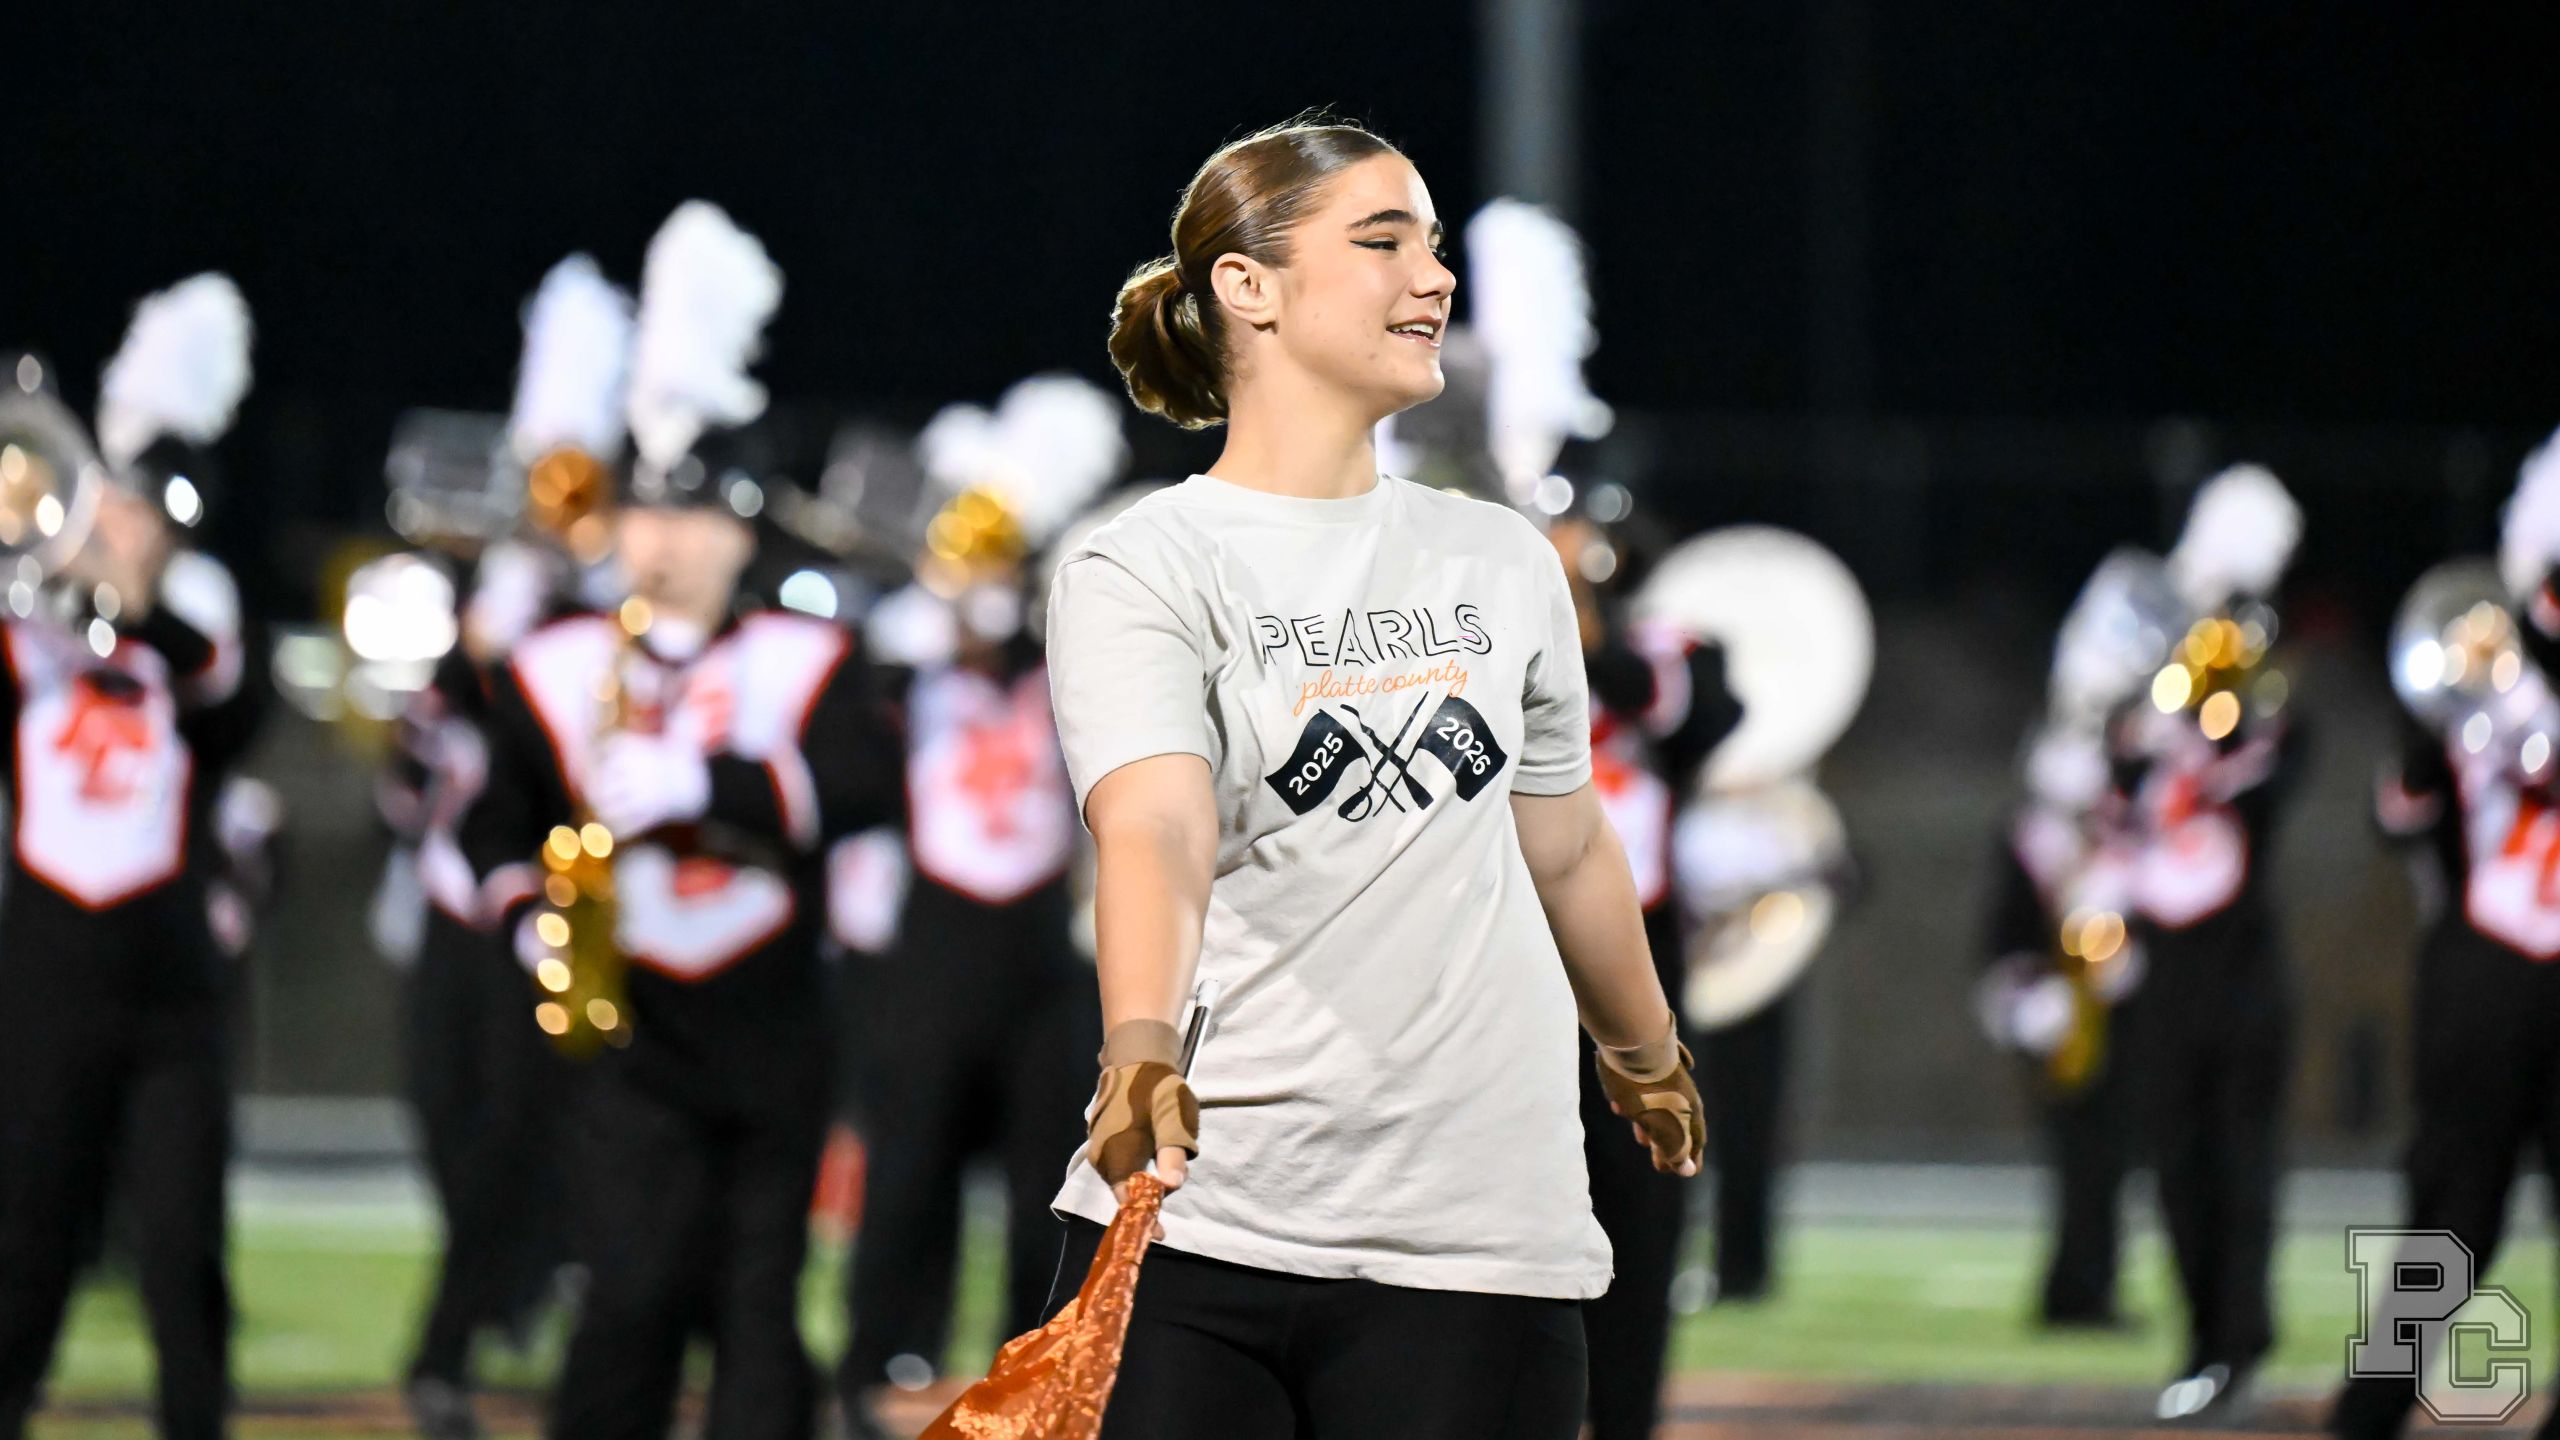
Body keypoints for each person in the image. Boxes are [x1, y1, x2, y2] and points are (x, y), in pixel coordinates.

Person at [1040, 116, 1705, 1440]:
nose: (1434, 278)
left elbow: (1568, 843)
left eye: (1436, 245)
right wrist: (1138, 1045)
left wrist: (1642, 1050)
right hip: (1200, 1220)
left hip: (1478, 1246)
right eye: (1382, 241)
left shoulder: (1501, 559)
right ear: (1248, 285)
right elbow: (1156, 825)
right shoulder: (1144, 563)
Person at [454, 200, 902, 1440]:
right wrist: (528, 923)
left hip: (775, 1017)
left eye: (692, 517)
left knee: (758, 1306)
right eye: (646, 515)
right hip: (632, 1028)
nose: (662, 542)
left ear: (739, 527)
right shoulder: (555, 663)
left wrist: (710, 786)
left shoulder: (808, 657)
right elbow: (487, 822)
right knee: (631, 1292)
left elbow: (865, 786)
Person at [0, 274, 263, 1440]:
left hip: (173, 1000)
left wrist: (128, 602)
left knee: (181, 1254)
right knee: (26, 1244)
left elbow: (225, 698)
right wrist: (45, 574)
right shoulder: (23, 634)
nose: (116, 527)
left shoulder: (197, 626)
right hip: (44, 986)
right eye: (108, 507)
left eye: (139, 514)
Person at [838, 377, 1119, 1429]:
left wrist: (1025, 604)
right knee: (909, 1167)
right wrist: (938, 603)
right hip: (931, 943)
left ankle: (1034, 1372)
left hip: (1043, 948)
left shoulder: (1064, 657)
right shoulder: (900, 667)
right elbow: (856, 722)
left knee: (1051, 1180)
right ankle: (884, 1360)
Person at [393, 253, 632, 1439]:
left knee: (523, 1139)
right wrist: (466, 654)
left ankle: (456, 1349)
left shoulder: (602, 608)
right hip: (461, 900)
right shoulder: (472, 608)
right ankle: (516, 1296)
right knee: (452, 1127)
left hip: (567, 906)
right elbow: (416, 769)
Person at [2331, 432, 2560, 1440]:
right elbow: (2398, 817)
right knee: (2449, 1216)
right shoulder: (2483, 643)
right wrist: (2441, 737)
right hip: (2483, 967)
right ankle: (2369, 1412)